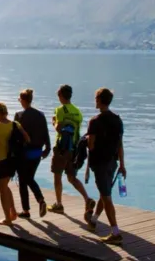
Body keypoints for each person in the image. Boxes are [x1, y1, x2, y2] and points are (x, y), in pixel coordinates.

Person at [85, 88, 126, 244]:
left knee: (106, 197)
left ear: (99, 100)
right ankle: (94, 221)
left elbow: (91, 145)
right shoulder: (117, 120)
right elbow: (120, 144)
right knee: (105, 192)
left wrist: (87, 141)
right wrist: (122, 165)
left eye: (96, 98)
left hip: (100, 163)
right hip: (112, 163)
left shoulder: (94, 121)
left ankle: (115, 232)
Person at [48, 84, 95, 217]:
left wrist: (54, 122)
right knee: (72, 177)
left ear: (61, 96)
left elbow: (58, 128)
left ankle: (59, 204)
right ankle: (87, 199)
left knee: (57, 175)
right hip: (74, 148)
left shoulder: (60, 110)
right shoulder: (77, 111)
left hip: (62, 149)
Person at [13, 88, 51, 218]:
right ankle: (33, 206)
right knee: (28, 178)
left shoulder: (19, 115)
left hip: (23, 153)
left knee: (24, 180)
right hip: (37, 152)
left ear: (23, 100)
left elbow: (15, 136)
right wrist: (48, 148)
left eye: (19, 99)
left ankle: (32, 206)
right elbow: (46, 132)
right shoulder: (40, 115)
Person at [0, 102, 21, 226]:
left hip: (1, 161)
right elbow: (27, 139)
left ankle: (8, 219)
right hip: (13, 161)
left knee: (2, 190)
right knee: (5, 186)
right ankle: (13, 212)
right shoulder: (15, 124)